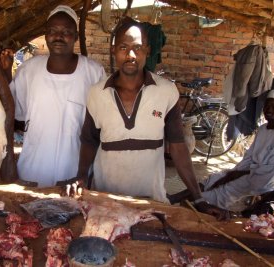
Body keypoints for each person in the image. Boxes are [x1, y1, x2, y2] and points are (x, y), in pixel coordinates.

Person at [74, 17, 226, 219]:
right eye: (123, 47)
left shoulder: (166, 91)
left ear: (147, 50)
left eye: (137, 47)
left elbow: (178, 147)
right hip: (105, 198)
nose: (130, 55)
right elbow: (89, 141)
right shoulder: (96, 93)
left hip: (151, 199)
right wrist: (82, 177)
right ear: (113, 50)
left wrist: (198, 199)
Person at [8, 5, 106, 187]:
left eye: (66, 32)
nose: (58, 36)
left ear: (76, 37)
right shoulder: (28, 70)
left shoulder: (94, 72)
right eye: (52, 31)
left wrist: (84, 174)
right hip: (32, 170)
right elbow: (16, 116)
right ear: (45, 36)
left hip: (75, 175)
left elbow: (99, 128)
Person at [169, 89, 274, 213]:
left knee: (223, 190)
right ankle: (175, 198)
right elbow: (249, 157)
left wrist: (237, 174)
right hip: (249, 172)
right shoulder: (262, 130)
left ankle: (204, 206)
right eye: (267, 106)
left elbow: (269, 170)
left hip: (264, 181)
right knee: (213, 179)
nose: (269, 110)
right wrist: (236, 172)